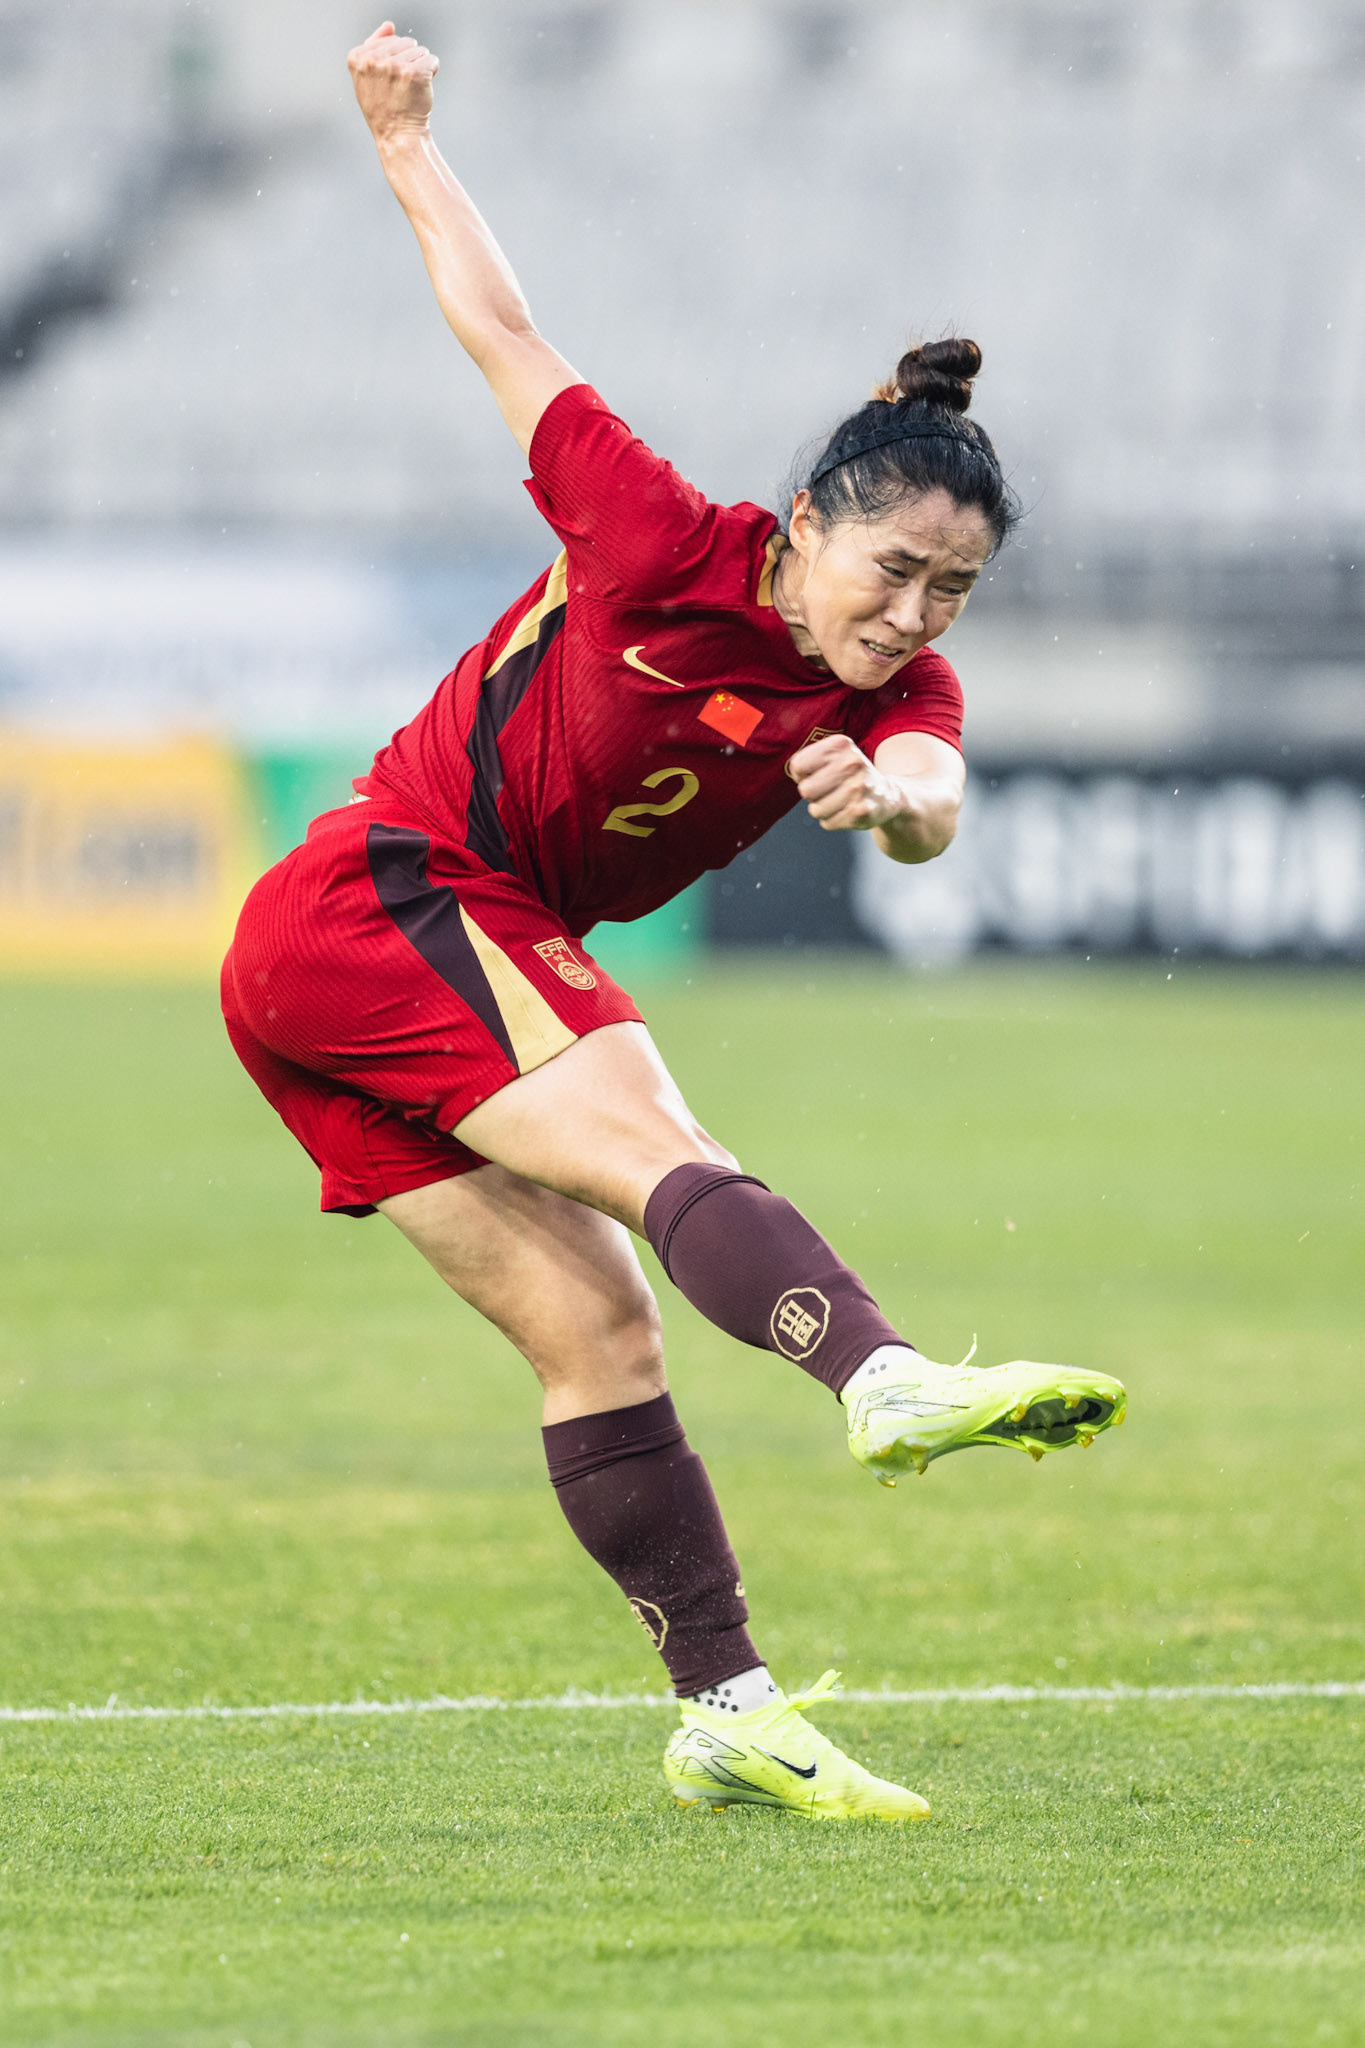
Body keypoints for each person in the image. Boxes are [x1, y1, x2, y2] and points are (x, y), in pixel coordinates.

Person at [221, 22, 1127, 1824]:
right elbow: (502, 331)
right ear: (803, 527)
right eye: (893, 569)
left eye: (954, 588)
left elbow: (941, 810)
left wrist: (900, 805)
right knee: (653, 1137)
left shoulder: (894, 698)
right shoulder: (652, 536)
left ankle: (723, 1709)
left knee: (600, 1340)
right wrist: (405, 143)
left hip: (393, 961)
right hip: (381, 892)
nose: (916, 612)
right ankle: (876, 1379)